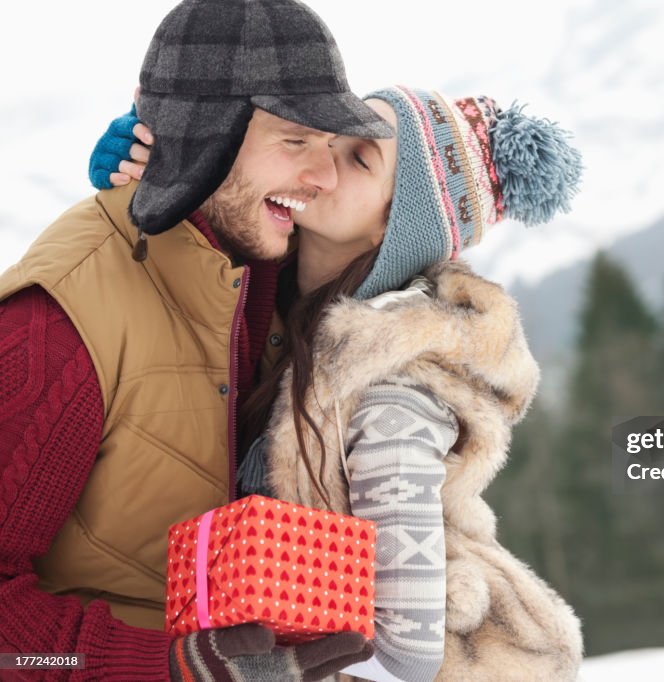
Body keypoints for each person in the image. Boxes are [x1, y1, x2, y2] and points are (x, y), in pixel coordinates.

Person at [91, 86, 586, 681]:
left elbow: (407, 654)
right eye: (325, 137)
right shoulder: (272, 303)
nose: (320, 163)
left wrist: (260, 666)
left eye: (359, 158)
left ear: (397, 224)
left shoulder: (393, 398)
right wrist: (151, 180)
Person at [0, 0, 391, 678]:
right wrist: (175, 669)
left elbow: (401, 213)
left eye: (330, 146)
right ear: (207, 133)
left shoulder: (254, 277)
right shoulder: (58, 329)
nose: (325, 178)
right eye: (296, 141)